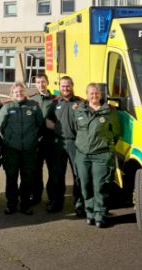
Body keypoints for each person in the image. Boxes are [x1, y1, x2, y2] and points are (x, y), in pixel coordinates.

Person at [74, 83, 120, 228]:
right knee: (85, 185)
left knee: (100, 186)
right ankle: (90, 213)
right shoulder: (79, 110)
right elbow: (76, 129)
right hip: (82, 155)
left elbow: (116, 132)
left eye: (97, 93)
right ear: (87, 95)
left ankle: (100, 214)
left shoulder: (110, 111)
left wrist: (106, 144)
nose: (94, 96)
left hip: (101, 155)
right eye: (91, 93)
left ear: (101, 95)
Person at [0, 82, 44, 215]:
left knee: (27, 178)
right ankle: (11, 204)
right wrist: (9, 140)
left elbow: (40, 125)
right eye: (16, 91)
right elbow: (0, 127)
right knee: (11, 177)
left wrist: (33, 139)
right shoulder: (7, 107)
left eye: (21, 91)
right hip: (12, 150)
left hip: (29, 149)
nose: (19, 93)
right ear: (12, 93)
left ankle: (25, 205)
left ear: (25, 92)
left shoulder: (33, 106)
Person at [46, 76, 84, 214]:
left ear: (72, 86)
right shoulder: (55, 103)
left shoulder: (80, 103)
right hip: (59, 143)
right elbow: (48, 121)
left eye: (68, 86)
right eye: (63, 86)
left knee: (78, 174)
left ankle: (80, 205)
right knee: (58, 175)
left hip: (76, 143)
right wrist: (57, 129)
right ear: (59, 87)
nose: (65, 88)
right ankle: (57, 203)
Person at [29, 73, 56, 205]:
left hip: (51, 141)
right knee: (36, 170)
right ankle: (36, 195)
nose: (41, 84)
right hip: (36, 141)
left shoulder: (56, 100)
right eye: (38, 82)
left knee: (52, 170)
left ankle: (52, 196)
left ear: (48, 82)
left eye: (43, 82)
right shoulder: (32, 100)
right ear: (35, 84)